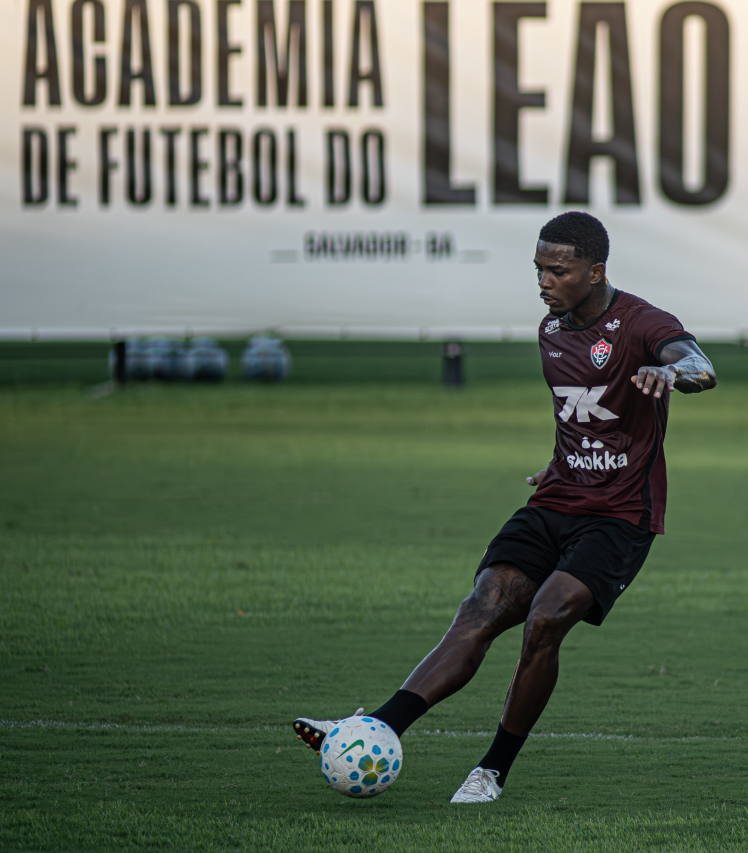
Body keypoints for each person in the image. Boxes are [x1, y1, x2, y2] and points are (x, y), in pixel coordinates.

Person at [292, 211, 717, 803]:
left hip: (619, 515)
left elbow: (700, 366)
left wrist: (669, 372)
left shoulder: (643, 323)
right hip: (555, 499)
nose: (543, 280)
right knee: (481, 608)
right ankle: (372, 729)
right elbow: (580, 414)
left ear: (595, 272)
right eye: (539, 268)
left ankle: (491, 770)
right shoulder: (552, 329)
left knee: (545, 619)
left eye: (557, 270)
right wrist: (560, 460)